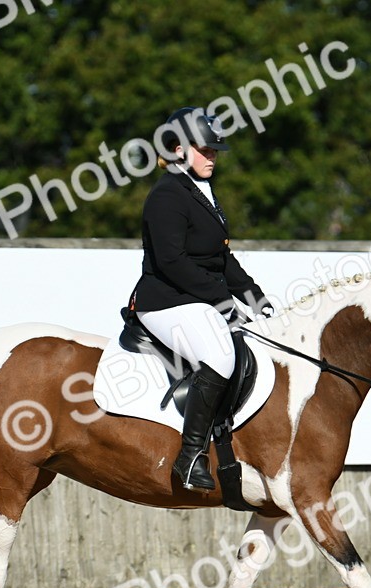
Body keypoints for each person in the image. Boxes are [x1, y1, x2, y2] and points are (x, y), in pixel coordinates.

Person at [128, 107, 273, 493]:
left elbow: (221, 258)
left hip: (196, 298)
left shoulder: (200, 190)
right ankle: (190, 456)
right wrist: (223, 299)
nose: (212, 155)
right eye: (204, 149)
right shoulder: (166, 196)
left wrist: (256, 300)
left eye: (214, 150)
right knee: (220, 355)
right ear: (177, 149)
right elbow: (172, 261)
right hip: (165, 301)